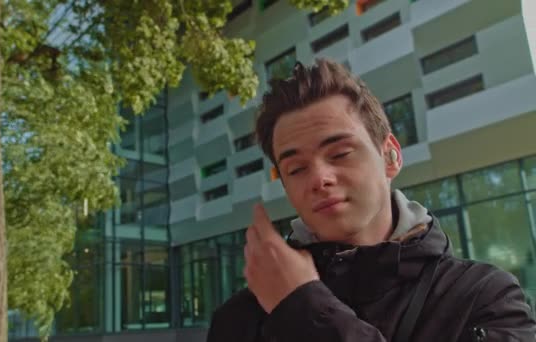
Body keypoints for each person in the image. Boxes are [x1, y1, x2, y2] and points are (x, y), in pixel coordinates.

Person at [206, 59, 536, 342]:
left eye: (340, 153)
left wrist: (304, 309)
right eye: (296, 168)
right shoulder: (240, 319)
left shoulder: (484, 297)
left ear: (390, 156)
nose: (319, 178)